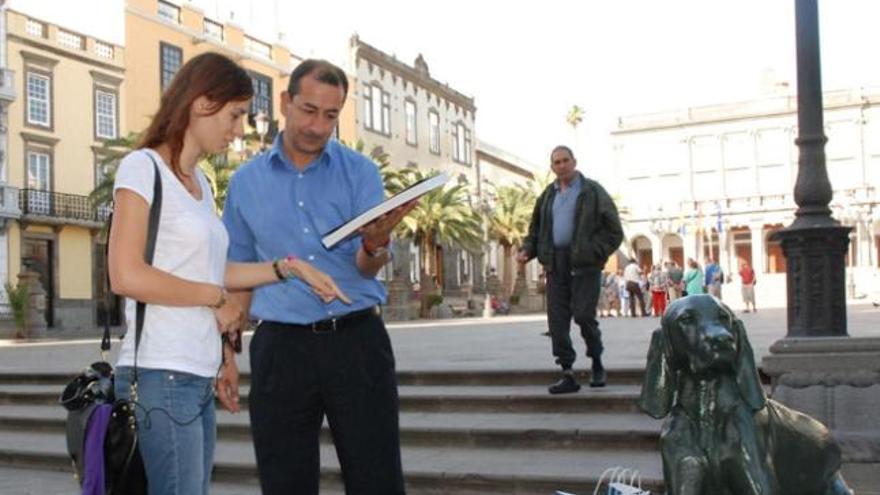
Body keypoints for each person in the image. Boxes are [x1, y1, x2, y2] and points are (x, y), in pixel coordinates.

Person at [108, 53, 346, 495]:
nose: (239, 130)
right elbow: (125, 274)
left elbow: (215, 270)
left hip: (194, 374)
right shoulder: (143, 168)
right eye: (235, 115)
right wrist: (216, 299)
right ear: (201, 103)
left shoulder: (199, 185)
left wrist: (285, 268)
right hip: (162, 372)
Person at [222, 59, 415, 495]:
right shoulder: (245, 183)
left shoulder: (361, 172)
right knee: (284, 481)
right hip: (281, 349)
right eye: (309, 110)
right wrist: (227, 355)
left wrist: (374, 245)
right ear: (286, 102)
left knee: (377, 479)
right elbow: (238, 275)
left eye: (331, 115)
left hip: (357, 342)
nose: (318, 125)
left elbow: (366, 266)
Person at [517, 145, 623, 394]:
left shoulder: (592, 191)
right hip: (555, 265)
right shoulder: (547, 196)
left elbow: (614, 230)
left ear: (574, 162)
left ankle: (596, 362)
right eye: (556, 162)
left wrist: (594, 252)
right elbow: (535, 231)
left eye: (565, 160)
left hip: (584, 266)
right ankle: (567, 372)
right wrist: (526, 251)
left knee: (585, 316)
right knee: (557, 323)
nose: (561, 165)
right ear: (552, 167)